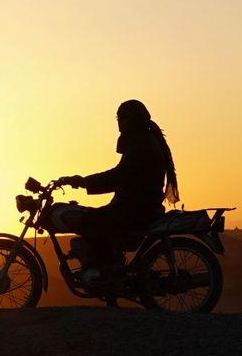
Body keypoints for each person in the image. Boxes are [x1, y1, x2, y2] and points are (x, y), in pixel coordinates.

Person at [58, 99, 179, 283]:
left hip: (137, 208)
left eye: (124, 117)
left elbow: (118, 176)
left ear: (135, 119)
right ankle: (107, 266)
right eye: (118, 117)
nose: (120, 122)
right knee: (95, 218)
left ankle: (106, 270)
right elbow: (121, 176)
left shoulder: (141, 143)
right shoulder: (141, 140)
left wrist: (83, 182)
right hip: (136, 205)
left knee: (89, 220)